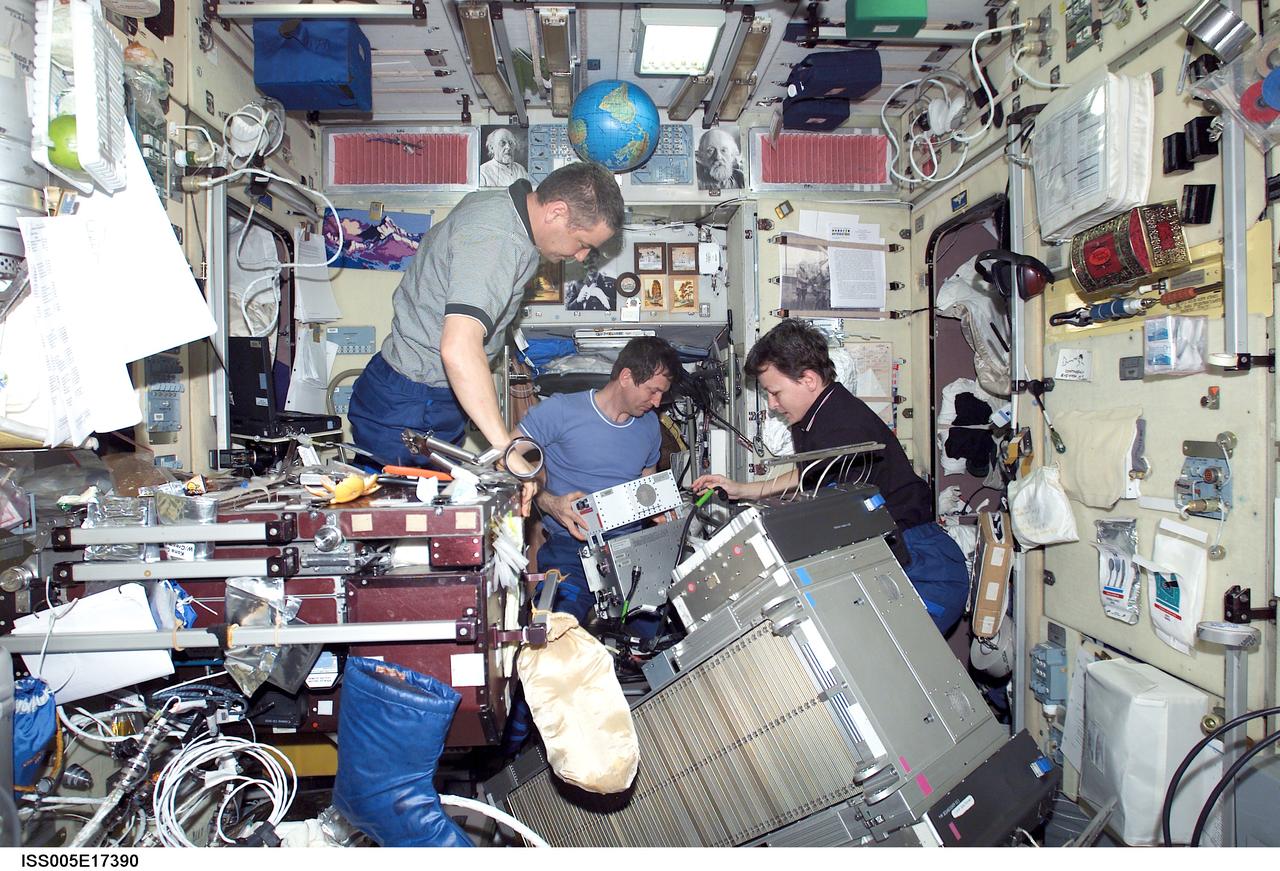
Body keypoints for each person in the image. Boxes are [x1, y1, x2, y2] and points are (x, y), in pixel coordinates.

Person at [693, 319, 968, 634]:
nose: (772, 404)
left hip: (923, 567)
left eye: (775, 392)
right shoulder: (813, 417)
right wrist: (743, 490)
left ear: (808, 379)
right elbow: (810, 474)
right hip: (896, 555)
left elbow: (841, 511)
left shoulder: (842, 424)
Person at [347, 161, 624, 466]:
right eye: (583, 243)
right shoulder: (496, 237)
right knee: (402, 510)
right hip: (410, 399)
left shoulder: (502, 207)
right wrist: (507, 452)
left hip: (427, 393)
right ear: (556, 212)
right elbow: (459, 348)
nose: (581, 255)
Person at [516, 336, 682, 625]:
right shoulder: (561, 411)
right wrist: (550, 502)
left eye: (661, 395)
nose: (657, 402)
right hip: (572, 548)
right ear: (627, 377)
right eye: (653, 391)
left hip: (631, 550)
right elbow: (506, 456)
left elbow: (648, 484)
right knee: (555, 626)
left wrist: (663, 513)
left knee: (656, 636)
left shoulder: (649, 425)